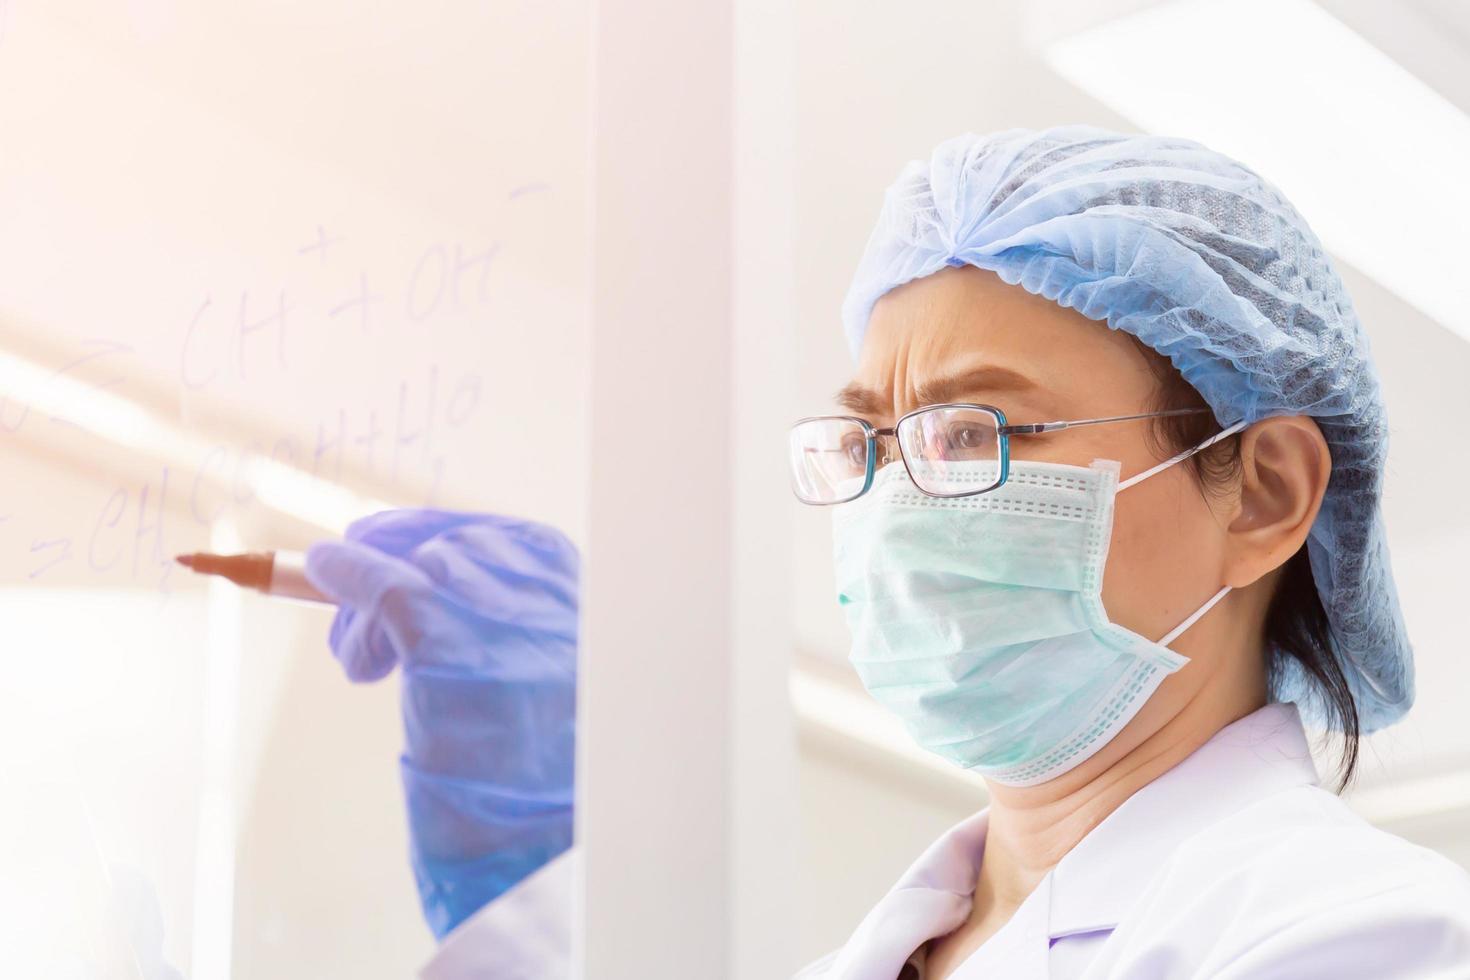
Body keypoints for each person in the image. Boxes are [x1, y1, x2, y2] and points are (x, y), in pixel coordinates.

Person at [304, 126, 1470, 978]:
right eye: (872, 439)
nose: (904, 499)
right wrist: (546, 909)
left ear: (1263, 495)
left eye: (978, 432)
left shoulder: (1369, 935)